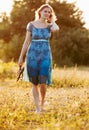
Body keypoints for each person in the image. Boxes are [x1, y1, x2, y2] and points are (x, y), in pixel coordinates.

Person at [18, 4, 59, 113]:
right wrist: (21, 57)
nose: (47, 13)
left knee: (43, 81)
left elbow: (56, 29)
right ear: (40, 12)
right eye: (45, 11)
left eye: (49, 12)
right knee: (34, 83)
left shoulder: (50, 26)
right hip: (32, 56)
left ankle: (42, 103)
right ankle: (37, 108)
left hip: (45, 56)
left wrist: (53, 20)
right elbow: (26, 42)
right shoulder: (31, 25)